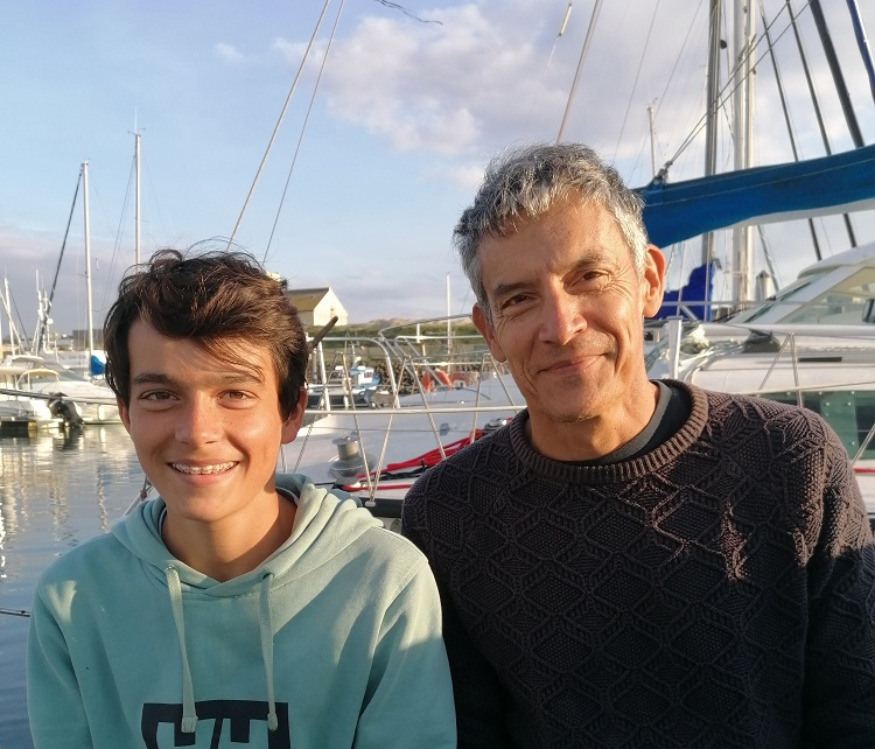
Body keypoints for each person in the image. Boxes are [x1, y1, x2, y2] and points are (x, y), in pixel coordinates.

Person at [401, 142, 875, 748]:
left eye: (589, 277)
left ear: (649, 281)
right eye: (518, 299)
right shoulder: (447, 513)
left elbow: (856, 713)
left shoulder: (792, 460)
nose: (561, 326)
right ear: (489, 331)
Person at [27, 248, 456, 748]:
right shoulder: (72, 599)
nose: (196, 432)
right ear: (126, 414)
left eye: (235, 393)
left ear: (291, 413)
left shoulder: (383, 583)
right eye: (160, 395)